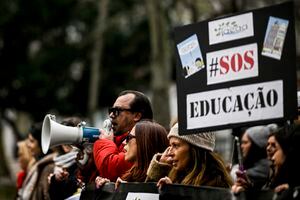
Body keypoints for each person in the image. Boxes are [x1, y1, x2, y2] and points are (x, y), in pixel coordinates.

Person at [147, 123, 233, 189]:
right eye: (170, 146)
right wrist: (159, 169)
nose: (170, 152)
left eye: (176, 145)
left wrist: (175, 194)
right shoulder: (175, 175)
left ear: (194, 149)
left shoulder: (216, 184)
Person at [93, 90, 153, 182]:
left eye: (117, 111)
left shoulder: (145, 140)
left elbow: (110, 170)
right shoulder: (119, 140)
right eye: (111, 110)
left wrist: (105, 143)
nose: (111, 115)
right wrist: (86, 162)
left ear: (137, 115)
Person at [95, 120, 169, 189]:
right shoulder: (131, 176)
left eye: (128, 137)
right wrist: (110, 187)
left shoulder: (162, 184)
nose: (124, 144)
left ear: (143, 142)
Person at [17, 121, 57, 200]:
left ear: (42, 144)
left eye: (32, 141)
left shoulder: (47, 168)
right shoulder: (36, 165)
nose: (28, 145)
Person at [231, 125, 273, 192]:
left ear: (256, 145)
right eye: (242, 143)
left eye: (245, 142)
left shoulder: (262, 170)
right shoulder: (253, 168)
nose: (242, 146)